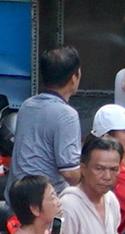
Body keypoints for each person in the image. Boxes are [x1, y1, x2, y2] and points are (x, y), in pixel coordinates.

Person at [14, 45, 86, 186]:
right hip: (46, 200)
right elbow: (70, 172)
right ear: (73, 78)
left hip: (16, 196)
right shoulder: (67, 115)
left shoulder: (27, 105)